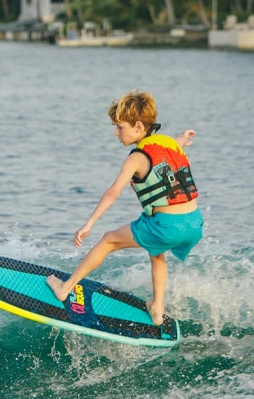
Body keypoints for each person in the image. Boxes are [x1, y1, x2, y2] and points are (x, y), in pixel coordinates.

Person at [46, 90, 203, 325]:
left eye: (120, 127)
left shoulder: (136, 158)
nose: (116, 133)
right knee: (155, 249)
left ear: (138, 126)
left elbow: (113, 193)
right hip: (194, 223)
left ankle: (64, 287)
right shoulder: (168, 143)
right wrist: (183, 137)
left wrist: (89, 224)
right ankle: (157, 308)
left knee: (108, 239)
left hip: (167, 226)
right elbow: (175, 142)